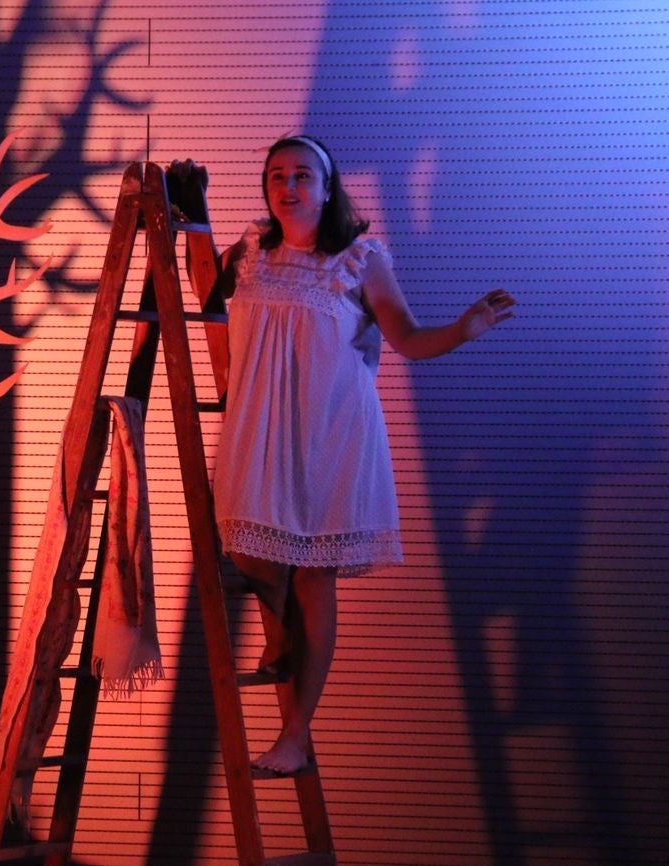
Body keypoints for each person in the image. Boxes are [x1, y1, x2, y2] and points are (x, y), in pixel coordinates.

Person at [180, 136, 515, 775]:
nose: (288, 186)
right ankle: (278, 640)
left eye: (302, 175)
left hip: (331, 434)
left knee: (312, 576)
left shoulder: (360, 259)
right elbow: (204, 291)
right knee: (250, 547)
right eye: (276, 175)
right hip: (260, 430)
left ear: (327, 188)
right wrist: (189, 214)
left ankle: (295, 735)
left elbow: (409, 339)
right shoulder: (253, 250)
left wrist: (463, 328)